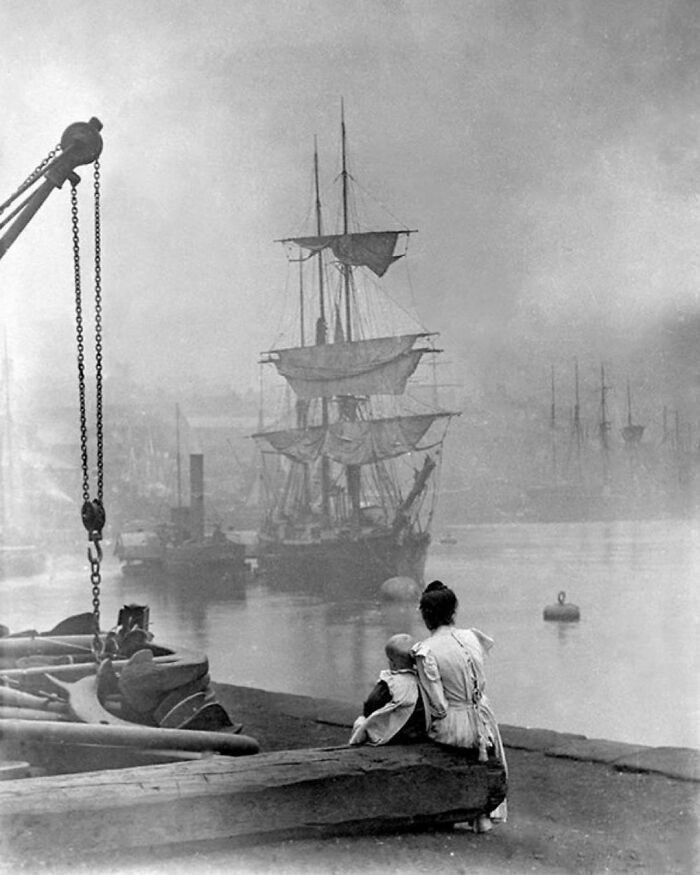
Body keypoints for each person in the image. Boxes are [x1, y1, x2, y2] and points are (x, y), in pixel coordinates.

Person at [412, 580, 507, 831]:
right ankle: (481, 815)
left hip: (456, 725)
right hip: (484, 720)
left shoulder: (425, 650)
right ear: (453, 612)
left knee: (415, 728)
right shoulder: (472, 636)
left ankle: (442, 808)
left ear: (425, 616)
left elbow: (439, 706)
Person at [348, 633, 427, 746]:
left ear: (393, 664)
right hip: (416, 731)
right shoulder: (423, 680)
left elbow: (372, 704)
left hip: (393, 734)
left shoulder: (390, 683)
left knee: (360, 722)